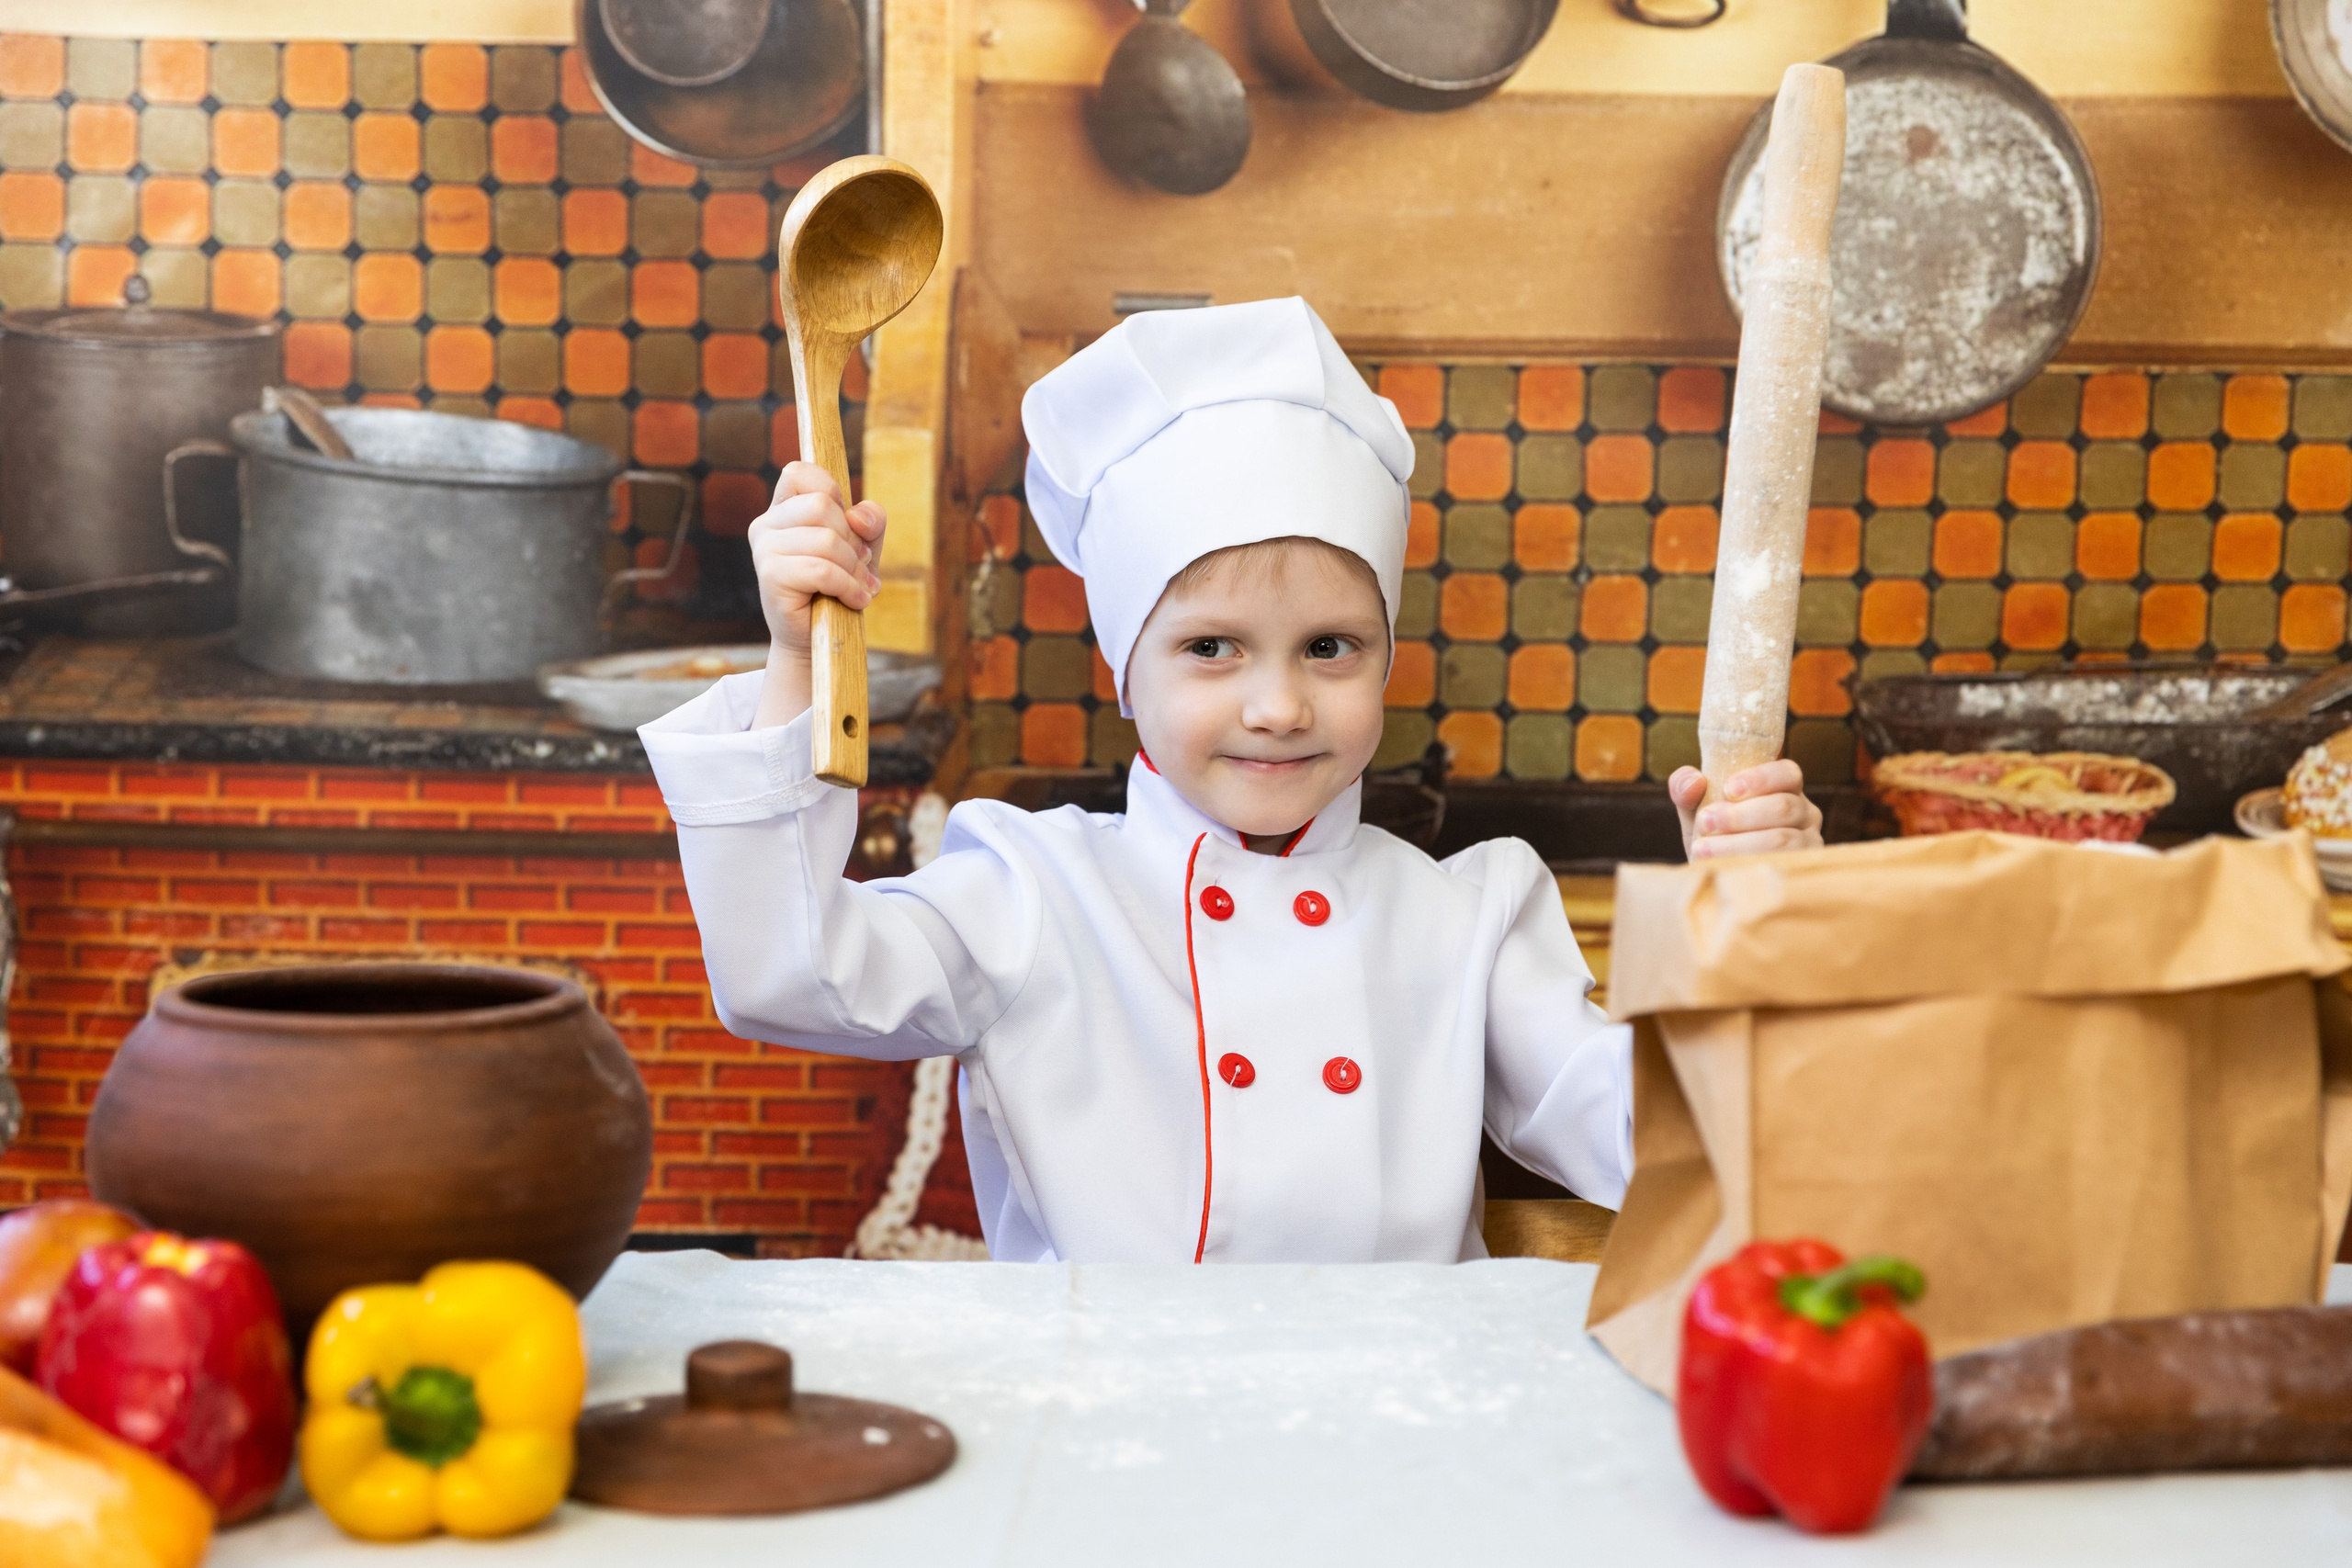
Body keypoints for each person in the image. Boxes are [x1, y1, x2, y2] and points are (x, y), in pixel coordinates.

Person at [640, 297, 1822, 1264]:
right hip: (1112, 1461)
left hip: (1400, 1464)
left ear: (1386, 660)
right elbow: (790, 976)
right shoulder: (1035, 892)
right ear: (1123, 671)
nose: (1277, 705)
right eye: (1211, 649)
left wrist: (1765, 923)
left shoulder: (1466, 916)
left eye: (1329, 648)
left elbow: (1671, 1142)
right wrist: (800, 659)